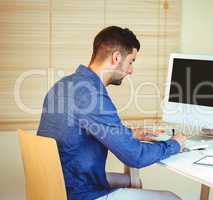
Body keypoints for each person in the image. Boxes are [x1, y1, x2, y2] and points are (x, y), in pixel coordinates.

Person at [38, 26, 186, 200]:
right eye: (131, 61)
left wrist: (131, 134)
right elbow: (134, 156)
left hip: (57, 184)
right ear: (116, 58)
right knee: (171, 198)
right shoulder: (92, 95)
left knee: (131, 180)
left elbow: (86, 130)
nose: (131, 70)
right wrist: (175, 144)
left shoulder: (62, 85)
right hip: (78, 192)